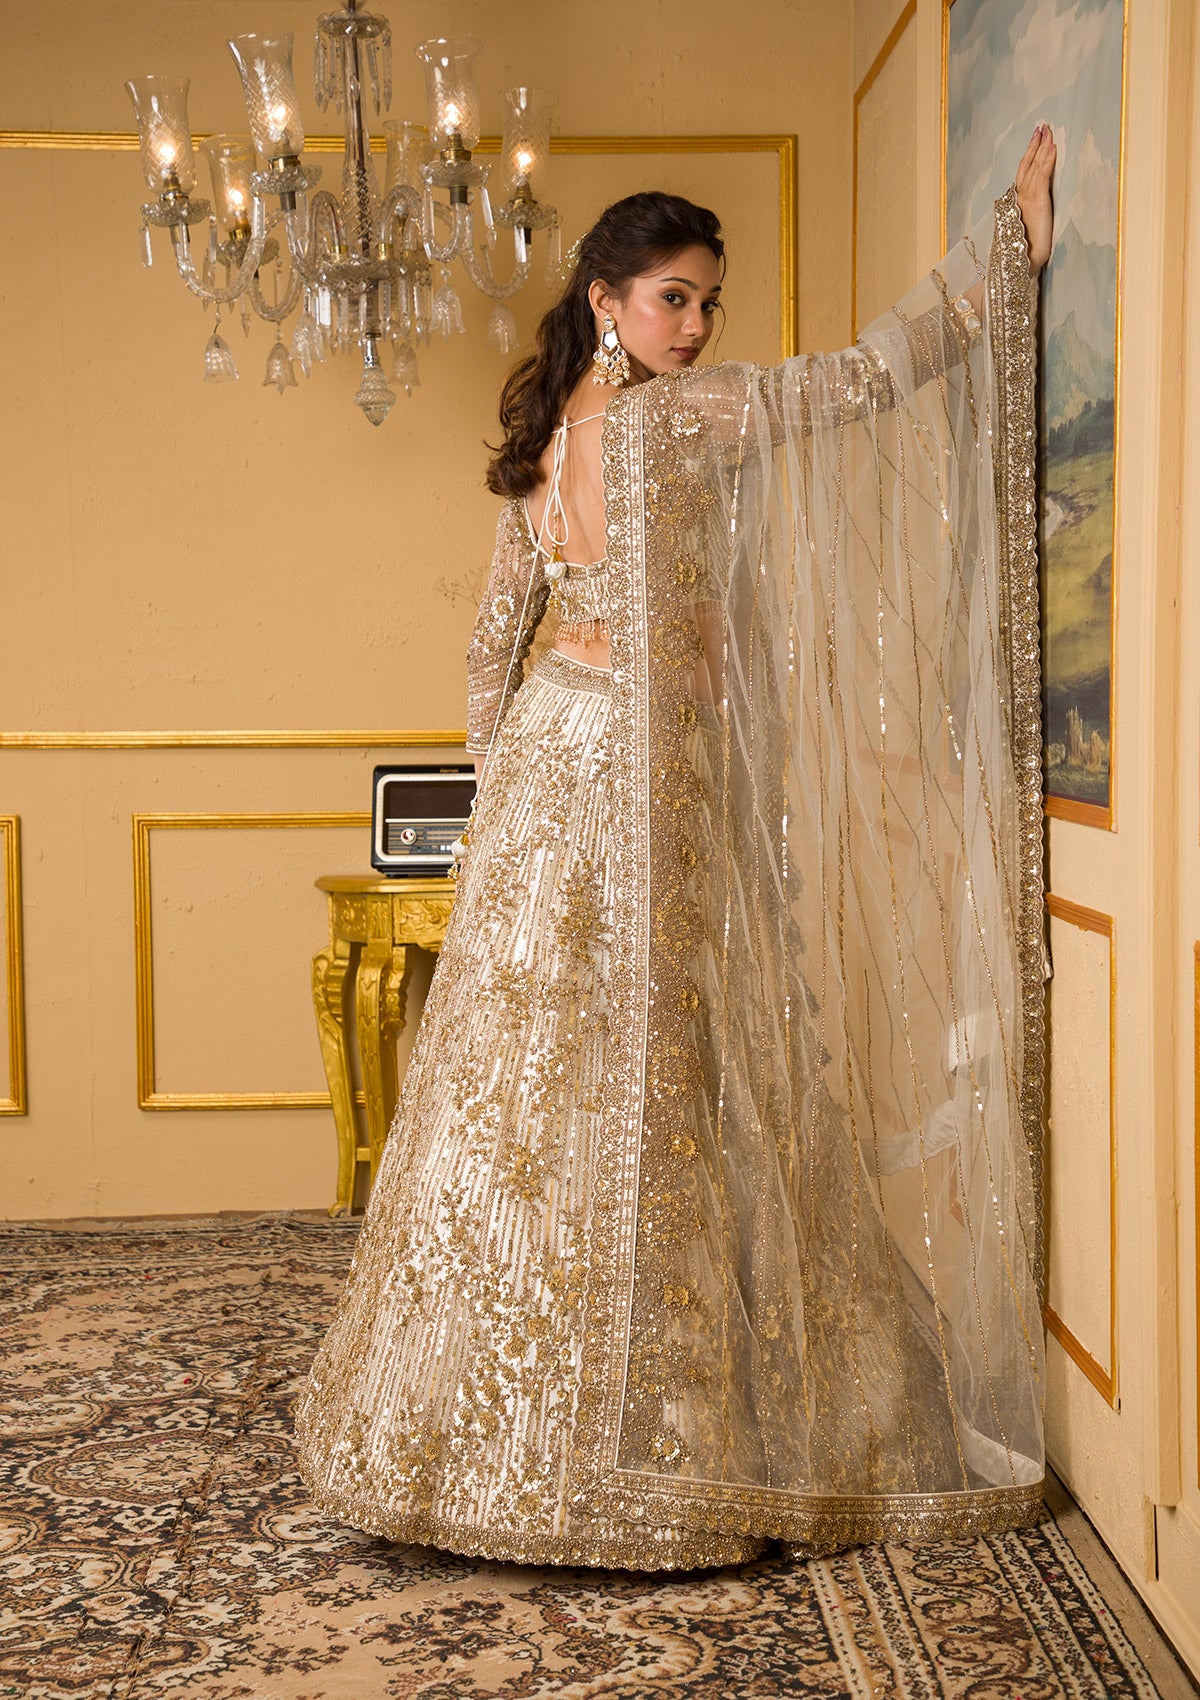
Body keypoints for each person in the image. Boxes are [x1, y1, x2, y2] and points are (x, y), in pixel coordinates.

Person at [297, 127, 1058, 1571]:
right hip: (645, 767)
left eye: (708, 302)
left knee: (538, 1083)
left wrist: (505, 797)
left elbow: (491, 650)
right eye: (672, 298)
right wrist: (999, 257)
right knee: (668, 1063)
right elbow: (861, 379)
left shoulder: (544, 446)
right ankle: (654, 1447)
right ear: (605, 298)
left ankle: (470, 1435)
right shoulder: (682, 424)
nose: (697, 326)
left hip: (553, 758)